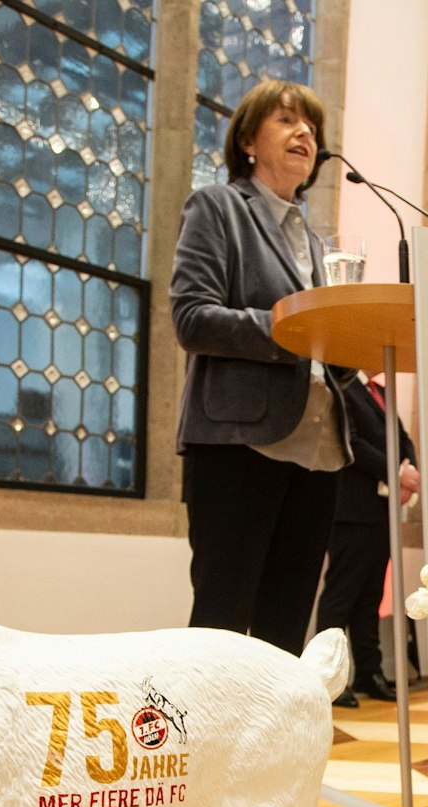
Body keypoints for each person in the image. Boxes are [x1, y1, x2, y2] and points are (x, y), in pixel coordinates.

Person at [171, 79, 351, 655]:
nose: (306, 134)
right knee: (222, 629)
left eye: (312, 128)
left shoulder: (319, 245)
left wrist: (356, 347)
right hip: (238, 444)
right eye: (287, 121)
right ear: (249, 140)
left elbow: (325, 353)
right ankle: (202, 747)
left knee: (283, 637)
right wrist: (298, 333)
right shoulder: (218, 207)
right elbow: (193, 318)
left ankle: (273, 749)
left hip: (318, 453)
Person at [318, 372, 419, 708]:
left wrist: (409, 473)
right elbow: (353, 443)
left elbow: (404, 439)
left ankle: (369, 672)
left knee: (371, 595)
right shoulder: (342, 387)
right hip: (351, 507)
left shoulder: (381, 391)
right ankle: (329, 678)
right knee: (341, 596)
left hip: (381, 510)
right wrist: (397, 472)